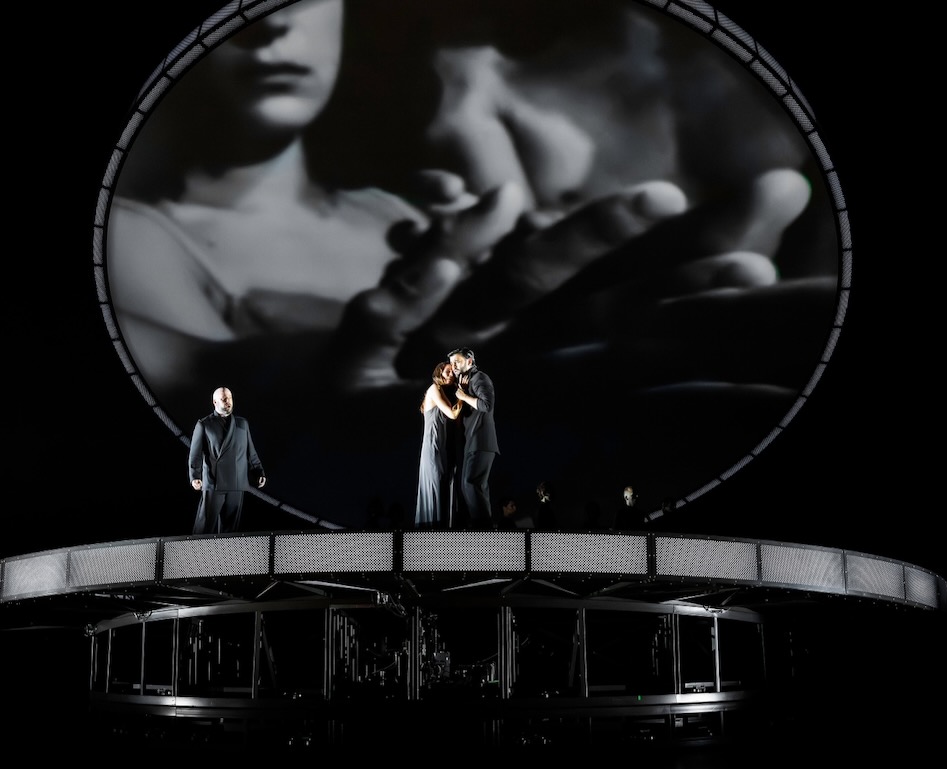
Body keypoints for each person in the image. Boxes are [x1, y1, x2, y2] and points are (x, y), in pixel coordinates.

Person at [107, 0, 838, 525]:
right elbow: (191, 377)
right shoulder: (136, 234)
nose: (271, 23)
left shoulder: (406, 215)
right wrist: (317, 389)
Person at [188, 387, 267, 534]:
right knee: (204, 527)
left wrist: (259, 472)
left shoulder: (242, 423)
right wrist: (195, 476)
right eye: (224, 399)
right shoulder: (204, 424)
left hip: (237, 482)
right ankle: (195, 548)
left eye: (229, 398)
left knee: (230, 531)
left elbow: (250, 451)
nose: (228, 401)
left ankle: (226, 549)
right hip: (214, 482)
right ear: (215, 402)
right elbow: (195, 454)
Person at [449, 348, 498, 527]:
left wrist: (463, 396)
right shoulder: (467, 381)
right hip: (474, 442)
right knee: (475, 487)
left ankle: (483, 530)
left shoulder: (480, 378)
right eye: (452, 363)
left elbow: (486, 405)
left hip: (481, 441)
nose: (454, 366)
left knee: (469, 484)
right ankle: (484, 527)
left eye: (457, 361)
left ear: (469, 361)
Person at [415, 361, 462, 528]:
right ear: (439, 373)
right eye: (447, 371)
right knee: (435, 487)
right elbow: (453, 414)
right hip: (433, 448)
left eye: (453, 372)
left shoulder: (447, 394)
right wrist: (463, 395)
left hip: (445, 449)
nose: (451, 374)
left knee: (446, 488)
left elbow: (456, 422)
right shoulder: (434, 389)